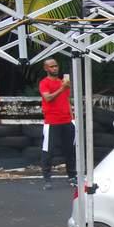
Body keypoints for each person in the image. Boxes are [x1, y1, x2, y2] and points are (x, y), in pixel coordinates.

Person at [39, 58, 76, 190]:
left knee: (70, 150)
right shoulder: (44, 83)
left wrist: (73, 117)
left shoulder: (62, 82)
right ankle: (47, 178)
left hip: (66, 120)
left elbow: (67, 100)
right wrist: (62, 88)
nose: (55, 68)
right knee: (48, 151)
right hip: (52, 121)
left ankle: (72, 176)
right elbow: (47, 98)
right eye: (51, 66)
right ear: (46, 68)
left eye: (56, 66)